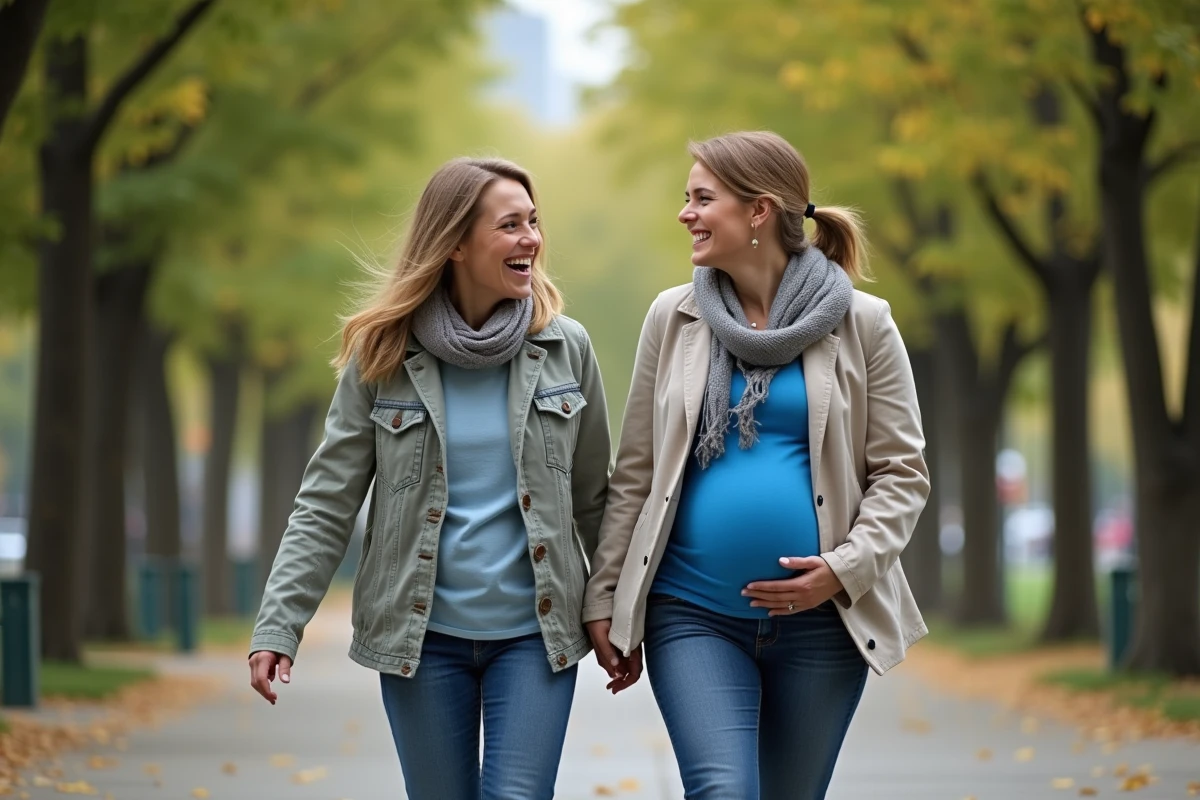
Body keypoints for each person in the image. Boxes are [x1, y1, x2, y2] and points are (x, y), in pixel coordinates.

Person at [248, 157, 611, 800]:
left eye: (534, 222)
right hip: (421, 642)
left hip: (535, 635)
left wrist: (616, 612)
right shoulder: (383, 353)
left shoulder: (565, 347)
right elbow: (327, 502)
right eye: (510, 225)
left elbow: (595, 499)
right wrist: (281, 624)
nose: (531, 238)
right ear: (454, 245)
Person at [583, 131, 930, 799]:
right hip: (692, 613)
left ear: (759, 212)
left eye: (702, 199)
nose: (686, 213)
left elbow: (901, 473)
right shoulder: (674, 317)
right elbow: (635, 472)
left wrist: (843, 569)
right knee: (721, 789)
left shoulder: (864, 323)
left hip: (824, 625)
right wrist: (606, 598)